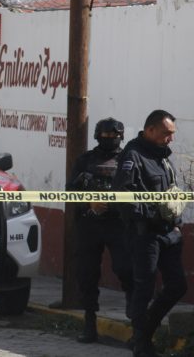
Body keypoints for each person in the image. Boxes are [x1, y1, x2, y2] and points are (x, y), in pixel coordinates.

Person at [113, 110, 187, 357]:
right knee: (143, 289)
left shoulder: (163, 157)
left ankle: (141, 334)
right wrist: (149, 215)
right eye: (166, 133)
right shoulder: (133, 155)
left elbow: (170, 193)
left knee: (177, 285)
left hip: (168, 233)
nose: (170, 139)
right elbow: (123, 197)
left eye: (172, 134)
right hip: (145, 235)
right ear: (150, 130)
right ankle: (142, 345)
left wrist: (175, 223)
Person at [67, 117, 133, 344]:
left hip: (119, 224)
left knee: (127, 270)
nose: (110, 141)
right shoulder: (85, 161)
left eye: (114, 137)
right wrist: (89, 203)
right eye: (105, 137)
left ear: (121, 138)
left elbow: (138, 191)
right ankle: (89, 325)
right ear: (97, 137)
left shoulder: (128, 161)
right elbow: (70, 191)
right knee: (86, 275)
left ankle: (136, 326)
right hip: (90, 225)